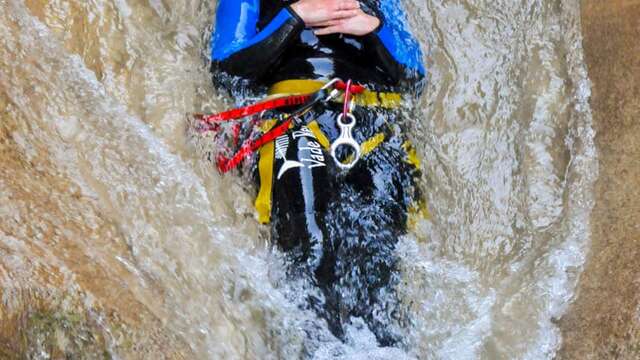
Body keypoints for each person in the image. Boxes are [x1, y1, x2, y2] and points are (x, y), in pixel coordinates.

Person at [208, 0, 426, 346]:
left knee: (379, 266)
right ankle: (314, 348)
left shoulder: (381, 4)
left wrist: (374, 30)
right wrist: (295, 18)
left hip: (374, 123)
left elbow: (413, 77)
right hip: (293, 121)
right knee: (310, 246)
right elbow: (227, 70)